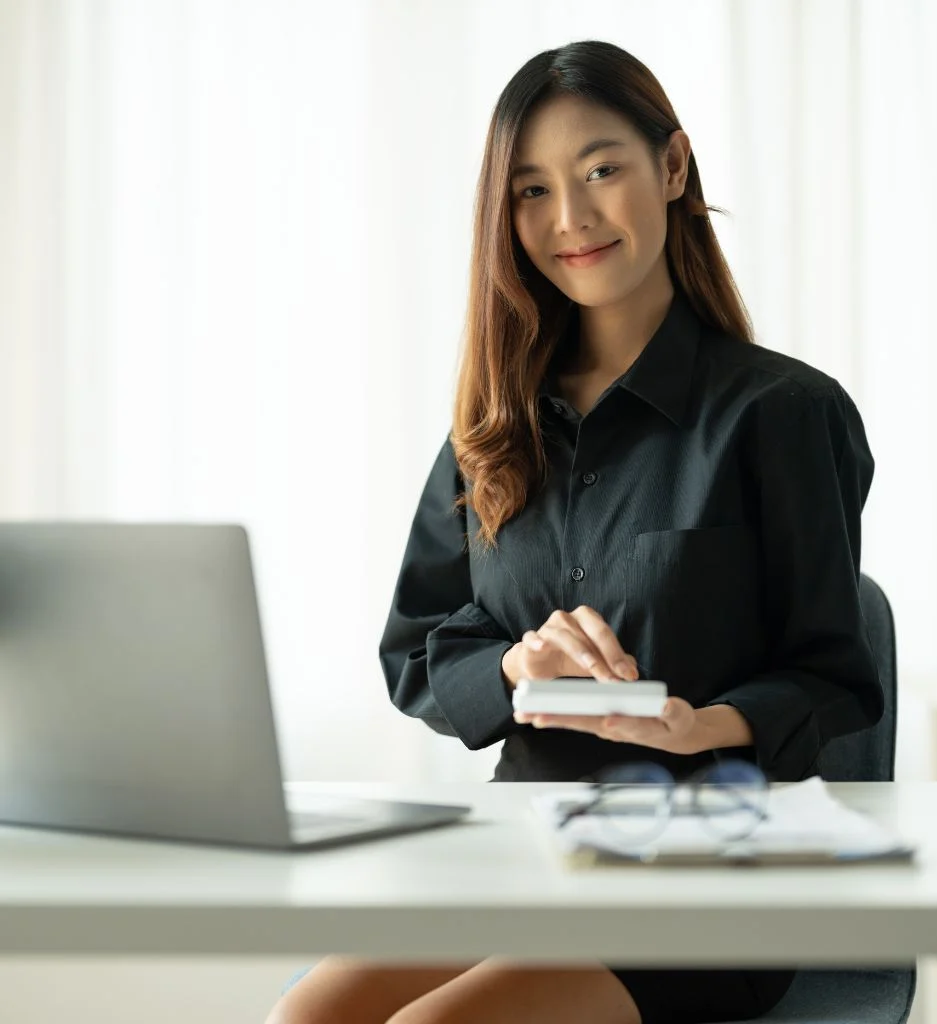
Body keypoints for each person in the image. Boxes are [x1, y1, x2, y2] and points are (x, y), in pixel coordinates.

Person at [267, 37, 882, 1024]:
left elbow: (835, 674)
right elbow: (419, 650)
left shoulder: (783, 414)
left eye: (602, 170)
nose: (572, 217)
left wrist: (699, 724)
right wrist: (517, 664)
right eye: (532, 190)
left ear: (672, 168)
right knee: (302, 1018)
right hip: (521, 847)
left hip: (705, 865)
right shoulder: (490, 430)